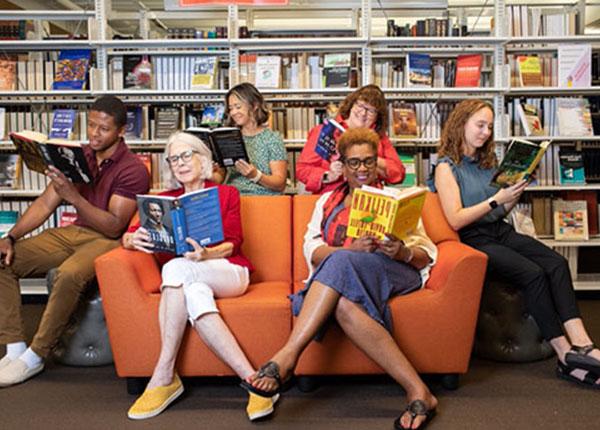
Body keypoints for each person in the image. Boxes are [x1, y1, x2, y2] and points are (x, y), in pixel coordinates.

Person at [244, 128, 439, 430]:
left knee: (341, 259)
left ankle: (288, 356)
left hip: (393, 270)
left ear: (377, 163)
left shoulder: (397, 198)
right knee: (344, 303)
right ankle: (419, 391)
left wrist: (401, 251)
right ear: (342, 165)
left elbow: (427, 253)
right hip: (347, 273)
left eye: (369, 162)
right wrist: (348, 249)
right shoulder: (326, 202)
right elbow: (312, 250)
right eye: (354, 163)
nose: (362, 169)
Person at [431, 99, 600, 389]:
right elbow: (457, 219)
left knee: (556, 263)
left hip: (499, 229)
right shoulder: (446, 168)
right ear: (461, 124)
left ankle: (583, 344)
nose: (485, 132)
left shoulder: (489, 163)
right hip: (473, 239)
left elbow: (498, 211)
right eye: (479, 125)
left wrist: (514, 195)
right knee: (531, 273)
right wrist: (497, 198)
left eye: (489, 126)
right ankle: (564, 355)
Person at [122, 131, 278, 421]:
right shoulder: (161, 201)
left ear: (203, 158)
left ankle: (164, 374)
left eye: (186, 155)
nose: (179, 163)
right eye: (173, 159)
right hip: (191, 278)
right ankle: (254, 382)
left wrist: (207, 254)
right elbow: (128, 236)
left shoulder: (225, 193)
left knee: (174, 268)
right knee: (192, 291)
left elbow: (235, 241)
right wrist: (132, 241)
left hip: (229, 271)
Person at [0, 95, 150, 387]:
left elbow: (113, 225)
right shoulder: (76, 155)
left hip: (109, 240)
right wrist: (11, 237)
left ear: (121, 131)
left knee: (68, 274)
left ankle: (35, 356)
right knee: (5, 259)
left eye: (103, 128)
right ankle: (15, 347)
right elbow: (45, 205)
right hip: (73, 234)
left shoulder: (133, 169)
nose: (94, 133)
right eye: (91, 125)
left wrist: (73, 196)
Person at [296, 84, 405, 194]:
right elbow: (302, 170)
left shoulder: (379, 137)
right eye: (360, 106)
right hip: (332, 197)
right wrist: (328, 175)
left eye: (371, 111)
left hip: (369, 198)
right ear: (351, 105)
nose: (363, 113)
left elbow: (398, 174)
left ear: (378, 117)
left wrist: (370, 160)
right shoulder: (326, 131)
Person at [213, 82, 288, 195]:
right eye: (230, 108)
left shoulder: (272, 139)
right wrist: (207, 173)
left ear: (254, 105)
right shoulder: (228, 138)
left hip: (262, 199)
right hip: (233, 197)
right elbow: (220, 178)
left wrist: (256, 176)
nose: (233, 113)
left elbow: (280, 184)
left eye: (238, 107)